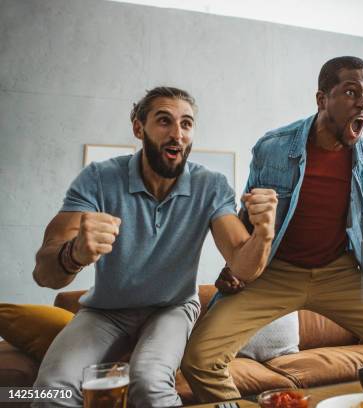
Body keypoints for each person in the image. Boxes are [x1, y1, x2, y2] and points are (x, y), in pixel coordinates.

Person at [181, 56, 363, 403]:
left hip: (338, 271)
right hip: (276, 272)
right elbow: (249, 214)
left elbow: (359, 221)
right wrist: (234, 269)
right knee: (200, 360)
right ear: (321, 99)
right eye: (351, 91)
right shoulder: (274, 148)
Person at [31, 86, 278, 407]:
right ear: (138, 127)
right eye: (164, 121)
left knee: (148, 383)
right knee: (51, 389)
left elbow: (243, 266)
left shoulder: (211, 185)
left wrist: (264, 233)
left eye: (186, 124)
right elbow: (44, 274)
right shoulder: (98, 178)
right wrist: (74, 253)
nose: (177, 133)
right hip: (106, 311)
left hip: (172, 308)